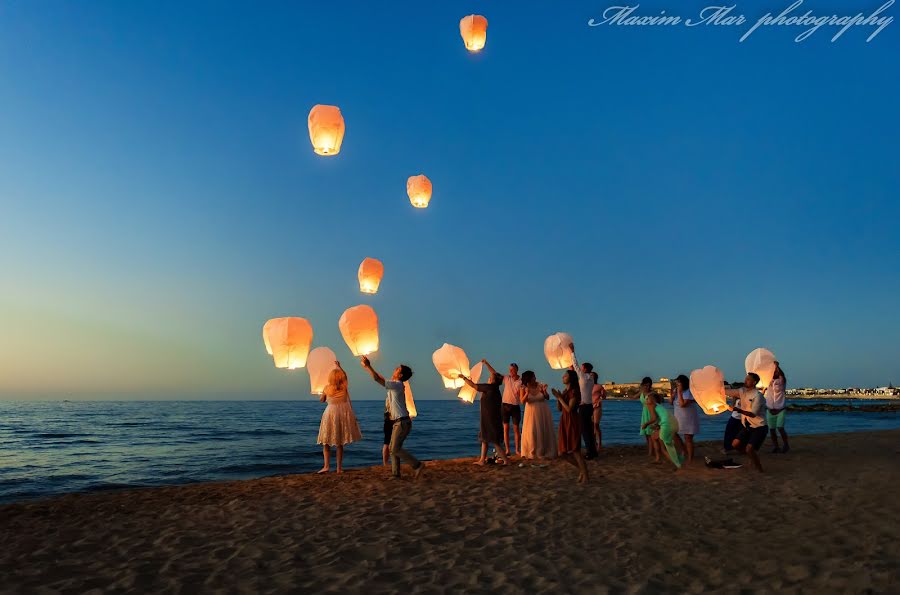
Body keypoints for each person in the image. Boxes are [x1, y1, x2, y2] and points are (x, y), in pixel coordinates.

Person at [360, 356, 425, 480]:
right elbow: (381, 378)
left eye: (397, 369)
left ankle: (417, 465)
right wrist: (368, 366)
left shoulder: (397, 385)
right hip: (399, 422)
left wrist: (368, 366)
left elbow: (377, 378)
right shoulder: (395, 384)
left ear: (400, 375)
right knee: (393, 448)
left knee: (394, 448)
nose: (394, 369)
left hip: (402, 422)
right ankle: (395, 474)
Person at [316, 362, 363, 474]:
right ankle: (339, 468)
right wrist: (339, 366)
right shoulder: (344, 387)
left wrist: (322, 394)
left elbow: (322, 400)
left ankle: (326, 466)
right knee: (339, 443)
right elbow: (345, 375)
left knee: (326, 441)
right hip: (341, 414)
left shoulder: (327, 388)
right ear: (341, 377)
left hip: (330, 413)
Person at [459, 371, 509, 465]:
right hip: (490, 416)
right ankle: (482, 460)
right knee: (484, 437)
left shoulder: (489, 387)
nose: (489, 377)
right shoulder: (496, 389)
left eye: (490, 376)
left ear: (493, 380)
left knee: (494, 440)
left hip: (489, 417)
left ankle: (506, 461)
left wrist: (464, 378)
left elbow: (474, 386)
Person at [726, 372, 768, 473]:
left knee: (749, 449)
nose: (746, 380)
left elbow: (753, 414)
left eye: (748, 379)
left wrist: (737, 410)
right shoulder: (742, 391)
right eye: (746, 378)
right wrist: (716, 388)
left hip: (759, 427)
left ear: (754, 382)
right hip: (747, 426)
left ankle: (760, 469)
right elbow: (729, 392)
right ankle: (750, 456)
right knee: (735, 444)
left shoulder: (758, 396)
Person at [552, 370, 589, 483]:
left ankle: (586, 475)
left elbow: (569, 409)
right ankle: (582, 470)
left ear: (571, 378)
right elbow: (559, 409)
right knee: (562, 453)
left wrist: (559, 398)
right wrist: (559, 398)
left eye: (565, 375)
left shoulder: (575, 391)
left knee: (575, 450)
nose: (563, 377)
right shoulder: (565, 391)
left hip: (572, 420)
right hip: (564, 420)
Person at [483, 360, 522, 457]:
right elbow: (494, 373)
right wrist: (487, 363)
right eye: (510, 370)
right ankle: (508, 450)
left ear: (516, 370)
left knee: (516, 429)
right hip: (505, 406)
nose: (511, 371)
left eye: (512, 370)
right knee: (506, 429)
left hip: (515, 406)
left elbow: (523, 392)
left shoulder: (521, 381)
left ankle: (517, 450)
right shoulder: (506, 378)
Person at [568, 343, 598, 459]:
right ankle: (593, 451)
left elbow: (575, 364)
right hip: (590, 406)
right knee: (589, 430)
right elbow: (575, 368)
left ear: (584, 369)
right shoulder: (590, 378)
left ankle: (590, 452)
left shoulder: (583, 376)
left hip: (584, 407)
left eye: (582, 367)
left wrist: (572, 351)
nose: (580, 368)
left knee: (585, 431)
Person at [519, 371, 557, 460]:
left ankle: (542, 451)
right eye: (533, 376)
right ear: (529, 378)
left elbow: (547, 397)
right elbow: (522, 401)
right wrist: (527, 393)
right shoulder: (523, 387)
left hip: (543, 410)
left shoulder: (540, 385)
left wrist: (544, 391)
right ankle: (531, 451)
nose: (535, 378)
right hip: (531, 412)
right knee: (532, 431)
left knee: (542, 429)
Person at [641, 393, 683, 470]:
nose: (646, 400)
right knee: (664, 442)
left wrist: (645, 424)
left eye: (648, 398)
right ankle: (679, 459)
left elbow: (653, 418)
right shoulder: (658, 406)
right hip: (673, 423)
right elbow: (659, 418)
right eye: (646, 398)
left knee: (665, 448)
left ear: (653, 400)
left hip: (667, 424)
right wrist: (656, 426)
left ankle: (678, 465)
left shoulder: (651, 405)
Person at [670, 374, 699, 464]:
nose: (677, 384)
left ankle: (690, 458)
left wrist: (679, 393)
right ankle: (684, 450)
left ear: (683, 383)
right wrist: (673, 394)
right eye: (677, 383)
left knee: (688, 438)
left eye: (679, 383)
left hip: (689, 418)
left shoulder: (688, 392)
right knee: (673, 434)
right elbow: (671, 403)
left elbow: (683, 404)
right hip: (679, 418)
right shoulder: (676, 390)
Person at [766, 361, 790, 453]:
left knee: (780, 428)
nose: (775, 371)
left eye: (776, 371)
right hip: (770, 410)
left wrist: (777, 366)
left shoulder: (782, 382)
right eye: (774, 371)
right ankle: (776, 446)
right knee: (772, 430)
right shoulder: (768, 382)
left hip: (780, 410)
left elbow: (781, 375)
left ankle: (786, 444)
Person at [636, 377, 658, 459]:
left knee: (652, 435)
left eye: (649, 385)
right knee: (646, 435)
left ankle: (653, 453)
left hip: (651, 413)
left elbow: (659, 402)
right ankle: (650, 452)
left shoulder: (652, 394)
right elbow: (633, 397)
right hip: (644, 414)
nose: (647, 387)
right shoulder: (641, 392)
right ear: (643, 385)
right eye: (646, 385)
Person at [590, 372, 605, 451]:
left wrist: (600, 398)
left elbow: (604, 396)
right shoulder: (587, 386)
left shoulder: (599, 386)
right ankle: (594, 442)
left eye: (592, 375)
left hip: (597, 407)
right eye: (590, 375)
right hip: (589, 407)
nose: (590, 376)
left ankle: (599, 443)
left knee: (596, 425)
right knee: (591, 426)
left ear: (595, 378)